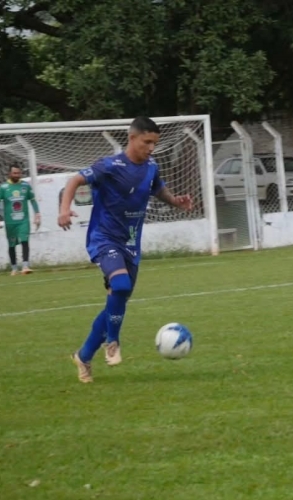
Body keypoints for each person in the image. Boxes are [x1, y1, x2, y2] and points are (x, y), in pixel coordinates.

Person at [58, 116, 193, 383]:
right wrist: (64, 210)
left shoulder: (151, 166)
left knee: (116, 301)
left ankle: (83, 356)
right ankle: (114, 342)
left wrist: (175, 202)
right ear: (132, 138)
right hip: (104, 238)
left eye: (155, 143)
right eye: (147, 142)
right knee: (119, 286)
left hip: (131, 243)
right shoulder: (110, 165)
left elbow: (158, 189)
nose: (152, 148)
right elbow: (74, 180)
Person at [0, 165, 41, 275]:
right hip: (10, 222)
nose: (17, 175)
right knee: (11, 245)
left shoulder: (25, 186)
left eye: (19, 173)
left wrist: (37, 214)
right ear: (9, 174)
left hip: (23, 220)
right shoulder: (3, 187)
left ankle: (25, 266)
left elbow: (33, 200)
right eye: (15, 173)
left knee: (24, 241)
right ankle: (14, 268)